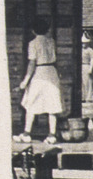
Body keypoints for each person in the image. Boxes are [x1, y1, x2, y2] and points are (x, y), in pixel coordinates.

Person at [13, 16, 62, 144]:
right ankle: (52, 135)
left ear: (33, 30)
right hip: (51, 72)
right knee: (53, 104)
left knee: (31, 102)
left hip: (40, 73)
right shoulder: (51, 41)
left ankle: (26, 133)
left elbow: (32, 64)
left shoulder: (33, 43)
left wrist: (25, 82)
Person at [81, 31, 93, 106]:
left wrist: (90, 68)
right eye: (83, 43)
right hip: (81, 66)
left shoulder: (90, 50)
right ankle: (83, 97)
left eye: (85, 43)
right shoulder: (81, 50)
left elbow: (92, 59)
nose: (84, 44)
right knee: (82, 83)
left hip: (87, 66)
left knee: (87, 82)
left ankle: (88, 97)